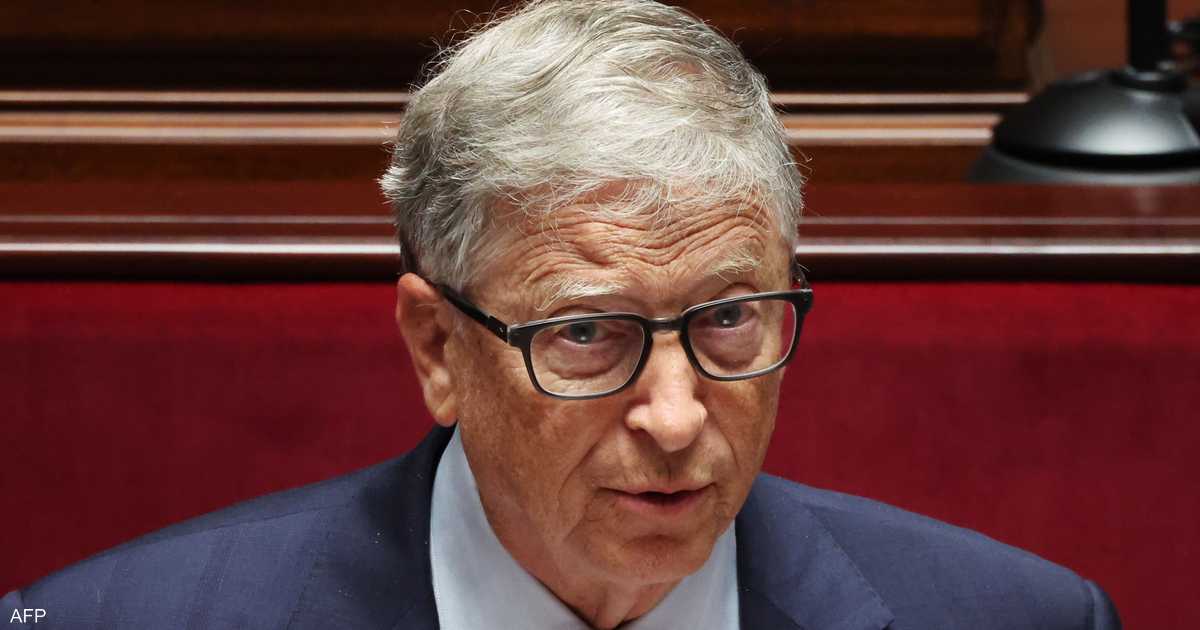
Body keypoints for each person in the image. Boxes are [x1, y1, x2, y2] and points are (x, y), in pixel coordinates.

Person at [4, 1, 1121, 628]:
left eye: (730, 318)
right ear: (438, 348)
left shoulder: (1018, 620)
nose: (676, 418)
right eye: (586, 333)